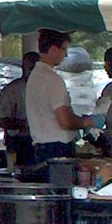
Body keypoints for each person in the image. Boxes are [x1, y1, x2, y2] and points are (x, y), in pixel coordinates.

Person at [25, 29, 97, 163]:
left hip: (42, 146)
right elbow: (65, 122)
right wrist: (87, 122)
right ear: (53, 49)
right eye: (64, 49)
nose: (66, 54)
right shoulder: (52, 79)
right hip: (57, 148)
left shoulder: (35, 77)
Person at [0, 51, 39, 168]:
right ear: (23, 68)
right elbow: (0, 120)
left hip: (43, 142)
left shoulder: (46, 89)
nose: (33, 71)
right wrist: (24, 124)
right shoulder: (12, 90)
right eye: (31, 67)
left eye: (37, 68)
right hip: (19, 143)